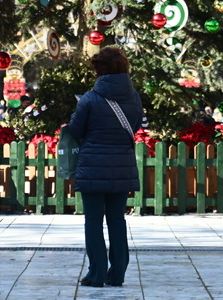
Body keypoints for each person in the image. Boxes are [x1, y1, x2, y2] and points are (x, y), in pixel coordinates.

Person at [67, 47, 143, 287]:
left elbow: (76, 130)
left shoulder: (89, 98)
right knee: (117, 221)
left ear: (100, 70)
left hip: (93, 167)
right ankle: (118, 274)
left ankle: (97, 274)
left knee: (93, 222)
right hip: (121, 165)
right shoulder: (135, 97)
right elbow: (136, 126)